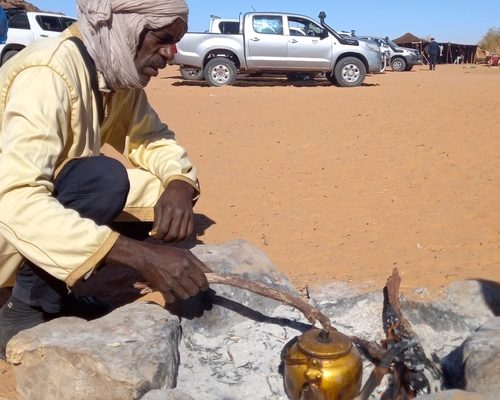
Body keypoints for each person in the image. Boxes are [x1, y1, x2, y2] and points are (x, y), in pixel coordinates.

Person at [0, 0, 212, 357]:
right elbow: (16, 198)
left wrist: (179, 182)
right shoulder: (48, 72)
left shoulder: (115, 76)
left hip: (29, 217)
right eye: (162, 38)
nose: (170, 54)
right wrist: (143, 258)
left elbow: (151, 138)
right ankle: (21, 312)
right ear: (124, 27)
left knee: (157, 190)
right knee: (102, 179)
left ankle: (55, 296)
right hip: (9, 217)